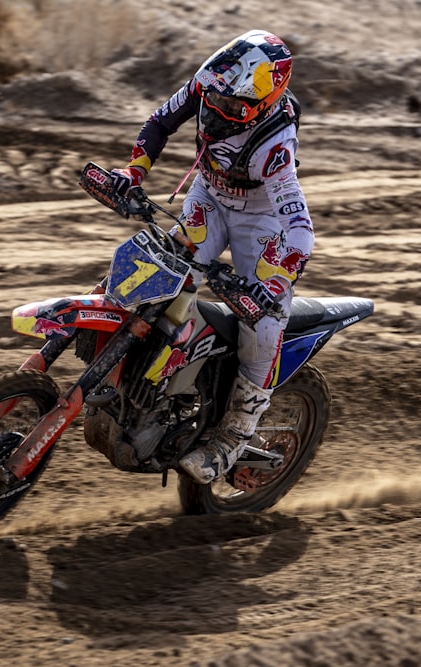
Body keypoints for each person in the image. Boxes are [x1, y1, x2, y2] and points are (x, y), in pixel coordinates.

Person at [110, 29, 314, 485]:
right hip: (208, 196)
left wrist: (270, 285)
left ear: (265, 101)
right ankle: (134, 366)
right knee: (161, 267)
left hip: (258, 221)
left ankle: (233, 437)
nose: (219, 112)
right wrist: (133, 171)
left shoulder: (273, 145)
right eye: (216, 100)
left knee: (263, 324)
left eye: (233, 108)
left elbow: (300, 232)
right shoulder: (211, 83)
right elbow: (159, 122)